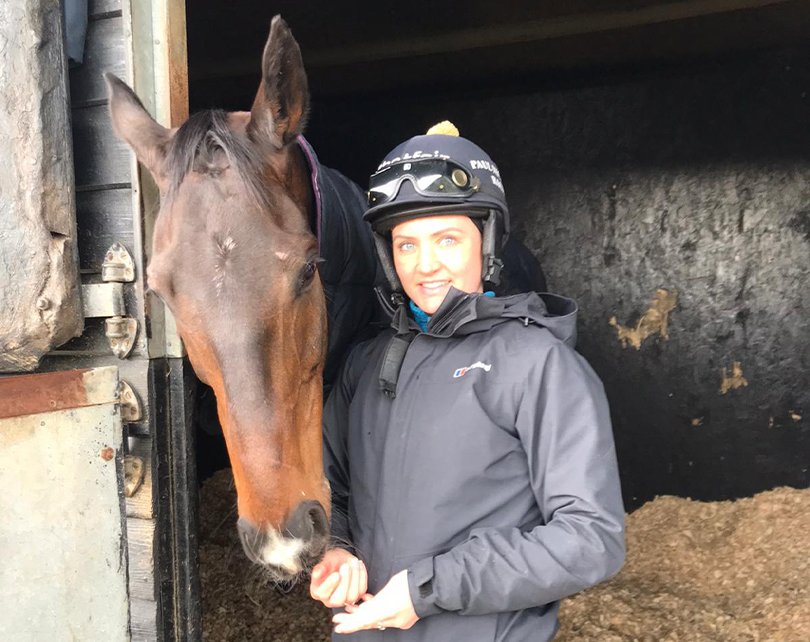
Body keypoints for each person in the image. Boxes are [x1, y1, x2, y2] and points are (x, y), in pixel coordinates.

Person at [309, 122, 625, 640]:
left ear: (488, 242)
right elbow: (333, 489)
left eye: (447, 239)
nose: (425, 264)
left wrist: (428, 589)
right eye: (406, 244)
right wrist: (337, 549)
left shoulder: (538, 364)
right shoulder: (366, 364)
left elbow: (591, 539)